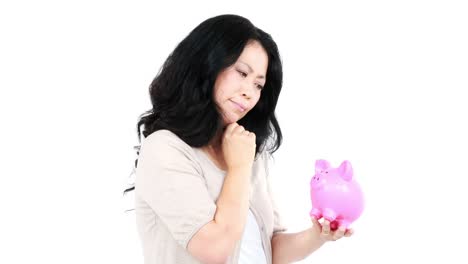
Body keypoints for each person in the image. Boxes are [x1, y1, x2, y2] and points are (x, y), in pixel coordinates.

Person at [126, 14, 353, 264]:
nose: (249, 92)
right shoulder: (165, 148)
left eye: (258, 85)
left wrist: (318, 235)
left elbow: (269, 249)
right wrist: (239, 166)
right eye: (241, 73)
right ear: (206, 64)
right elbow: (215, 249)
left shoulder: (245, 149)